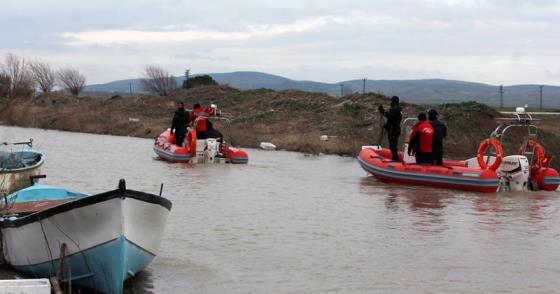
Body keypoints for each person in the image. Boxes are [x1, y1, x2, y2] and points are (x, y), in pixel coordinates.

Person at [378, 96, 402, 161]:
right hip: (392, 130)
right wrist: (385, 126)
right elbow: (391, 120)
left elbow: (390, 116)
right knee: (392, 145)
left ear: (394, 102)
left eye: (391, 101)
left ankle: (396, 159)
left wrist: (382, 111)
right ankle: (395, 158)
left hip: (394, 130)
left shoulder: (396, 109)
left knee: (393, 146)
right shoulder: (395, 109)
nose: (390, 103)